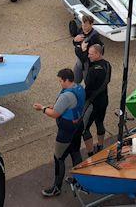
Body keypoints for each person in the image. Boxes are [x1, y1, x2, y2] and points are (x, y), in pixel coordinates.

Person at [34, 68, 85, 198]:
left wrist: (43, 108)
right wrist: (55, 106)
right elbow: (71, 106)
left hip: (66, 130)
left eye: (61, 81)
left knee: (58, 157)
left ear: (67, 80)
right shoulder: (79, 88)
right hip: (78, 125)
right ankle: (79, 181)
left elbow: (55, 114)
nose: (60, 83)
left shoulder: (66, 95)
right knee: (75, 152)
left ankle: (56, 187)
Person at [82, 44, 111, 155]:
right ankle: (100, 146)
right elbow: (107, 80)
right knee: (99, 122)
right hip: (104, 100)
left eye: (91, 54)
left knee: (85, 129)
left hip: (92, 103)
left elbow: (88, 87)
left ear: (98, 54)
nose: (89, 56)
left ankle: (90, 153)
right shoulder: (108, 65)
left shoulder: (93, 70)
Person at [73, 14, 103, 83]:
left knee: (88, 83)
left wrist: (81, 50)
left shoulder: (94, 37)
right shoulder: (81, 30)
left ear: (91, 24)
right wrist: (74, 40)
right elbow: (76, 44)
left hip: (87, 65)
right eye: (83, 25)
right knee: (75, 81)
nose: (83, 27)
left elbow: (88, 56)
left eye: (86, 25)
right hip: (79, 62)